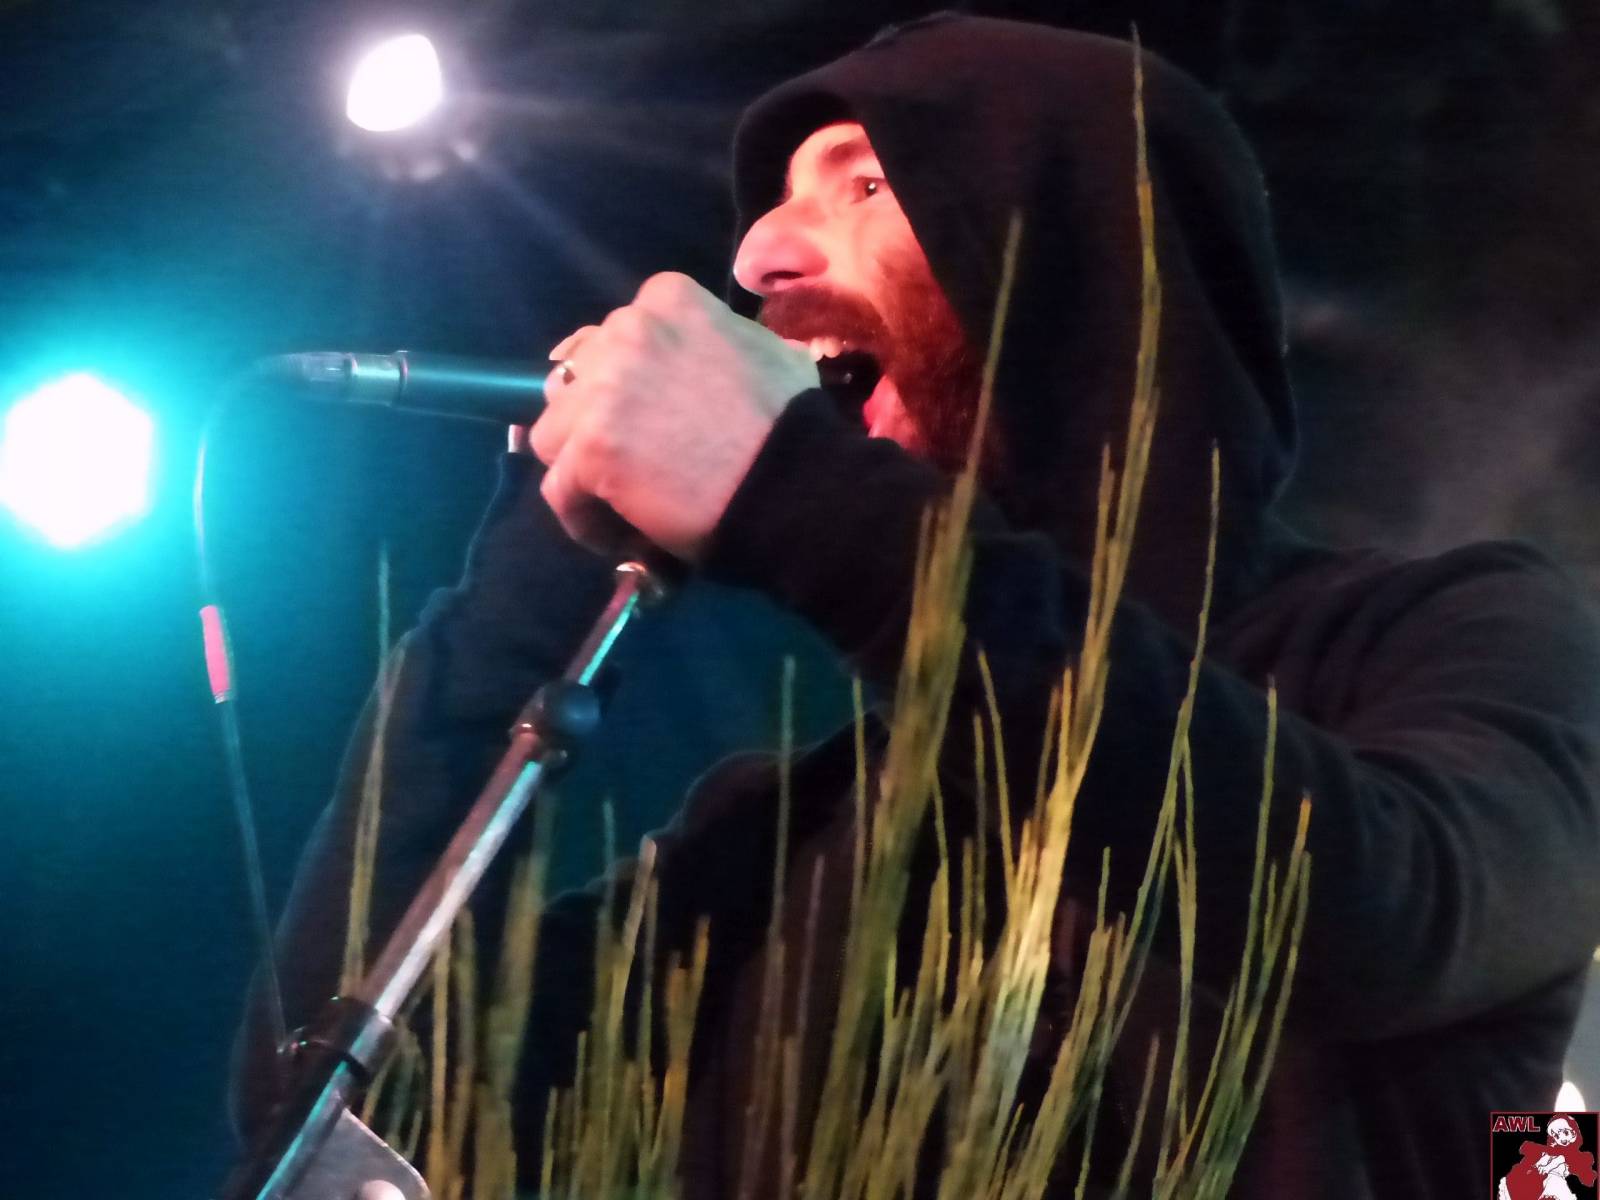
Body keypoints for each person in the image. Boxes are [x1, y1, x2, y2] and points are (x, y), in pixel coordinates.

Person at [234, 15, 1600, 1197]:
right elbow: (364, 1112)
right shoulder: (778, 840)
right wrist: (528, 590)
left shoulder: (1450, 638)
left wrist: (789, 490)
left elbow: (1371, 911)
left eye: (869, 185)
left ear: (1077, 263)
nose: (757, 254)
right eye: (774, 206)